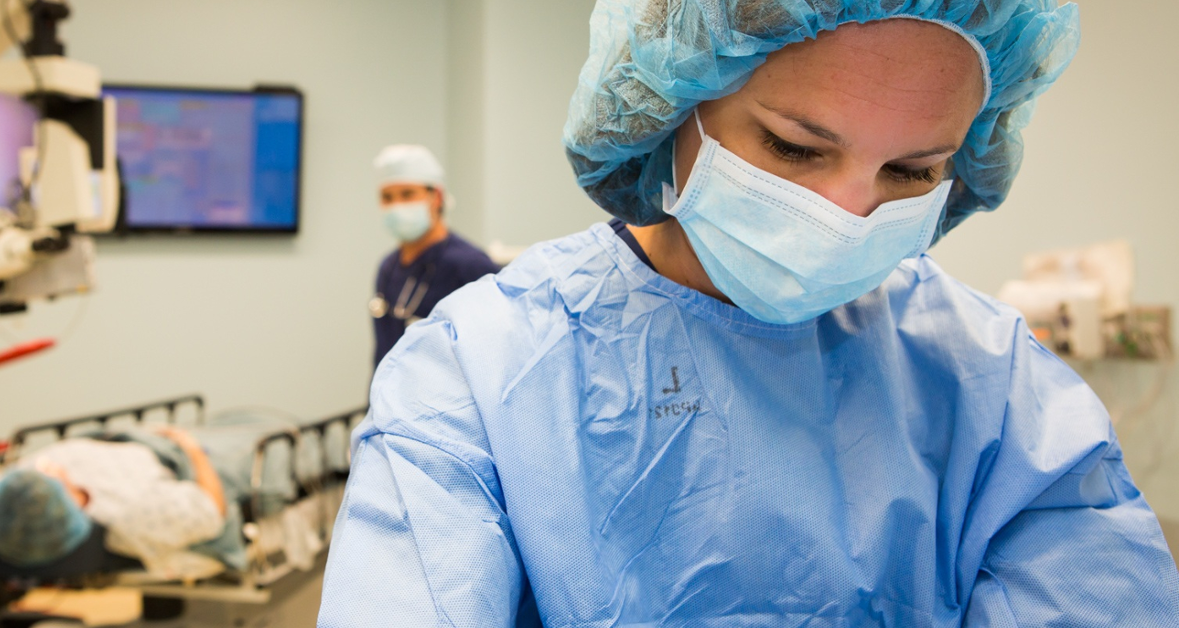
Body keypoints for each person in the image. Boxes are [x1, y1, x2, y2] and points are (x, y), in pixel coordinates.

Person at [319, 2, 1179, 626]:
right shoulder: (478, 371)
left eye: (912, 173)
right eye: (795, 148)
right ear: (669, 110)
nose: (846, 214)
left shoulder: (998, 392)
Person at [0, 427, 236, 577]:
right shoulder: (131, 515)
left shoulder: (25, 479)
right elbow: (211, 510)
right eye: (49, 478)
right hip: (188, 458)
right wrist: (193, 449)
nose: (49, 467)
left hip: (150, 443)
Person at [370, 145, 499, 368]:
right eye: (387, 197)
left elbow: (497, 353)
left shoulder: (470, 265)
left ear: (436, 197)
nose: (396, 205)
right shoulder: (388, 267)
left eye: (407, 194)